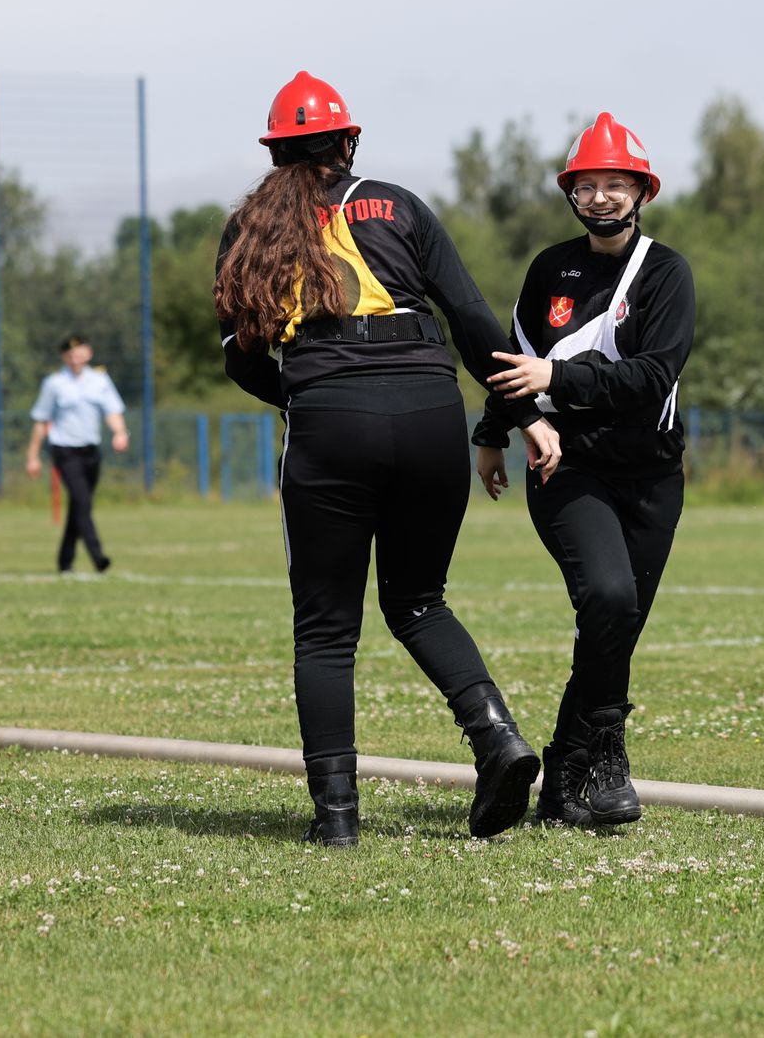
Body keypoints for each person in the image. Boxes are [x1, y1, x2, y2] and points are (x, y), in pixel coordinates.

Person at [215, 71, 564, 847]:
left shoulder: (248, 227)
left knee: (325, 631)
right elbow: (475, 325)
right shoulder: (400, 205)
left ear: (275, 153)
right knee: (417, 601)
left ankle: (337, 819)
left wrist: (308, 397)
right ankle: (497, 738)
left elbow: (239, 358)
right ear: (350, 142)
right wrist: (522, 414)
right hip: (430, 411)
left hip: (330, 419)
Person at [472, 112, 695, 828]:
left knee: (616, 623)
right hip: (566, 467)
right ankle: (608, 756)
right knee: (607, 595)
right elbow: (514, 357)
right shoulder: (549, 268)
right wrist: (491, 431)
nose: (600, 196)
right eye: (587, 184)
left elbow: (650, 379)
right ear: (572, 193)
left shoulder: (665, 273)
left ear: (642, 189)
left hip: (653, 476)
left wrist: (559, 378)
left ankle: (564, 779)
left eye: (614, 183)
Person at [24, 335, 128, 572]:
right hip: (64, 451)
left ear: (88, 353)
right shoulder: (54, 383)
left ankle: (65, 561)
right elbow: (41, 421)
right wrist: (32, 456)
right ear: (64, 357)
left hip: (91, 451)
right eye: (70, 355)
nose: (75, 358)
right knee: (82, 501)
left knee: (80, 506)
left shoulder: (100, 380)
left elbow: (112, 411)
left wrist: (120, 433)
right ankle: (98, 557)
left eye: (79, 353)